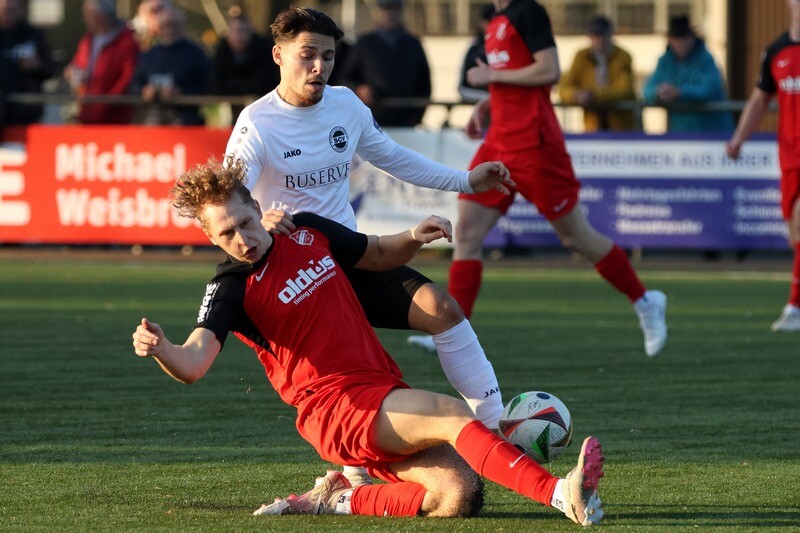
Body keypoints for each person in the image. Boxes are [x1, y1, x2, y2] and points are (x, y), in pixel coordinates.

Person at [130, 156, 605, 524]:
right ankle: (560, 494)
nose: (242, 239)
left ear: (258, 208)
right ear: (210, 237)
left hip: (380, 386)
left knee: (458, 494)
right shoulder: (230, 286)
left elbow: (375, 253)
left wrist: (414, 235)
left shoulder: (307, 230)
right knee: (451, 414)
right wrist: (163, 349)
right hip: (334, 408)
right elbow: (194, 363)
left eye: (245, 223)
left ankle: (339, 499)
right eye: (227, 233)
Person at [226, 6, 513, 488]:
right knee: (349, 372)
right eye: (307, 55)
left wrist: (464, 180)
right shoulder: (256, 124)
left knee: (441, 308)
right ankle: (353, 476)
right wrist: (259, 217)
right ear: (278, 55)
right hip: (302, 276)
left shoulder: (346, 105)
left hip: (351, 256)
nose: (318, 66)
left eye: (328, 56)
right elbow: (230, 196)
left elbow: (392, 157)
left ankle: (494, 432)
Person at [408, 0, 668, 358]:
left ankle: (646, 301)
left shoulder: (527, 12)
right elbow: (516, 80)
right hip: (499, 143)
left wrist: (493, 78)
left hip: (536, 145)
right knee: (466, 234)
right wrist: (489, 104)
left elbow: (549, 70)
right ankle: (454, 332)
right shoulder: (497, 20)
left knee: (575, 237)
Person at [726, 0, 800, 332]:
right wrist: (739, 138)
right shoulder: (775, 51)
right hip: (790, 158)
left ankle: (794, 308)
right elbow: (759, 99)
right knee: (795, 238)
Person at [339, 0, 431, 127]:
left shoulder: (413, 44)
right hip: (371, 120)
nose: (390, 14)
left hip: (405, 122)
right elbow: (344, 78)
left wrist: (416, 116)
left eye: (395, 9)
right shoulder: (365, 43)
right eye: (385, 9)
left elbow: (425, 84)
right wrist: (358, 89)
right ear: (378, 12)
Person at [643, 14, 734, 132]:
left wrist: (679, 92)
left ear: (692, 38)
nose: (680, 44)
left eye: (684, 38)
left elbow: (708, 89)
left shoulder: (705, 60)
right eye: (676, 39)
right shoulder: (665, 62)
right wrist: (658, 92)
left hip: (711, 133)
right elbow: (647, 89)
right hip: (681, 134)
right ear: (669, 40)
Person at [130, 5, 209, 125]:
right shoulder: (150, 54)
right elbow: (135, 84)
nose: (169, 30)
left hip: (184, 116)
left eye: (173, 25)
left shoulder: (195, 54)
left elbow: (207, 86)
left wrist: (181, 93)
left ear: (181, 27)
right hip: (152, 116)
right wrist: (144, 91)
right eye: (165, 26)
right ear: (159, 29)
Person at [64, 0, 139, 124]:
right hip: (87, 112)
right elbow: (77, 65)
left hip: (115, 117)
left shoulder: (126, 41)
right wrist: (72, 73)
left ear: (102, 15)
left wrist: (106, 102)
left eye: (89, 14)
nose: (86, 19)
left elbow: (128, 77)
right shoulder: (87, 40)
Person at [558, 15, 636, 132]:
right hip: (593, 125)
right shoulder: (581, 56)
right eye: (595, 36)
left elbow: (625, 90)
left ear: (611, 35)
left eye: (603, 35)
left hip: (620, 126)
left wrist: (594, 95)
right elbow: (564, 87)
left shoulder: (623, 57)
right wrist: (576, 95)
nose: (600, 40)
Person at [211, 7, 279, 119]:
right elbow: (216, 85)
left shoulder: (263, 49)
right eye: (235, 32)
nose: (238, 37)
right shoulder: (222, 51)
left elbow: (266, 81)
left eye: (242, 31)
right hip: (229, 106)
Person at [0, 0, 55, 125]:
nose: (8, 7)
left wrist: (37, 65)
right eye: (5, 8)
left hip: (27, 112)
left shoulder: (33, 34)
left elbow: (51, 69)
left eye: (11, 8)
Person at [458, 4, 494, 104]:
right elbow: (463, 88)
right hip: (483, 104)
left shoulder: (511, 46)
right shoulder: (474, 48)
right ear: (482, 23)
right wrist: (489, 98)